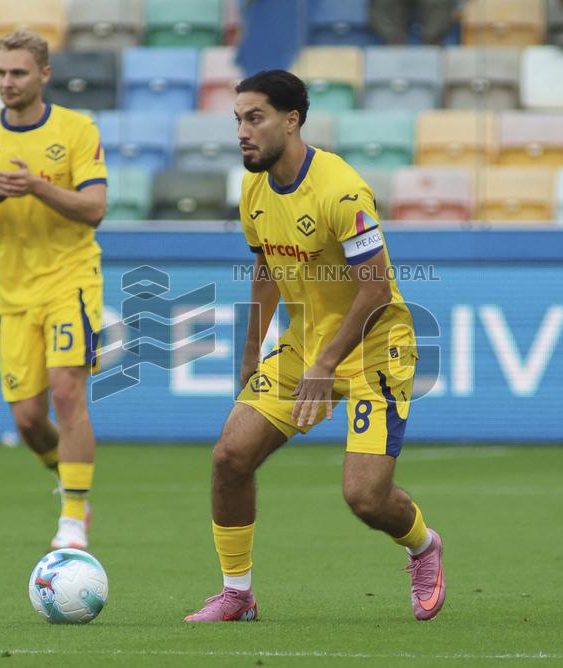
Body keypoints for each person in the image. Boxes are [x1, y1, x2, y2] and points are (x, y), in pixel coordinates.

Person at [184, 70, 444, 623]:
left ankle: (423, 547)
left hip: (375, 346)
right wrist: (252, 349)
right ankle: (238, 593)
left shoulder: (340, 189)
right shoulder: (253, 186)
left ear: (291, 120)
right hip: (306, 346)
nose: (242, 132)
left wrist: (327, 364)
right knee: (230, 457)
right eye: (237, 120)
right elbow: (266, 265)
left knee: (366, 499)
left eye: (254, 118)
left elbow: (374, 288)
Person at [0, 30, 107, 550]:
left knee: (66, 391)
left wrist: (38, 186)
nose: (7, 83)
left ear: (44, 76)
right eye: (0, 73)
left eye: (18, 73)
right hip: (13, 291)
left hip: (70, 281)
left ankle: (74, 519)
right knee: (29, 420)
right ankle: (69, 479)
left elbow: (95, 208)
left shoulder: (77, 130)